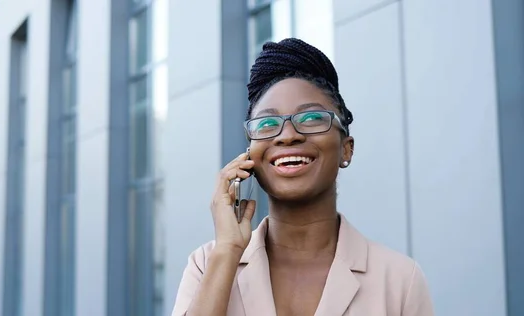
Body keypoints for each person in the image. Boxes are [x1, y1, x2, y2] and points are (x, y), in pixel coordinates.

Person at [172, 38, 434, 316]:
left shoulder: (400, 279)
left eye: (310, 119)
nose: (288, 135)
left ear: (347, 149)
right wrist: (227, 250)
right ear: (249, 156)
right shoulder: (207, 264)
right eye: (267, 124)